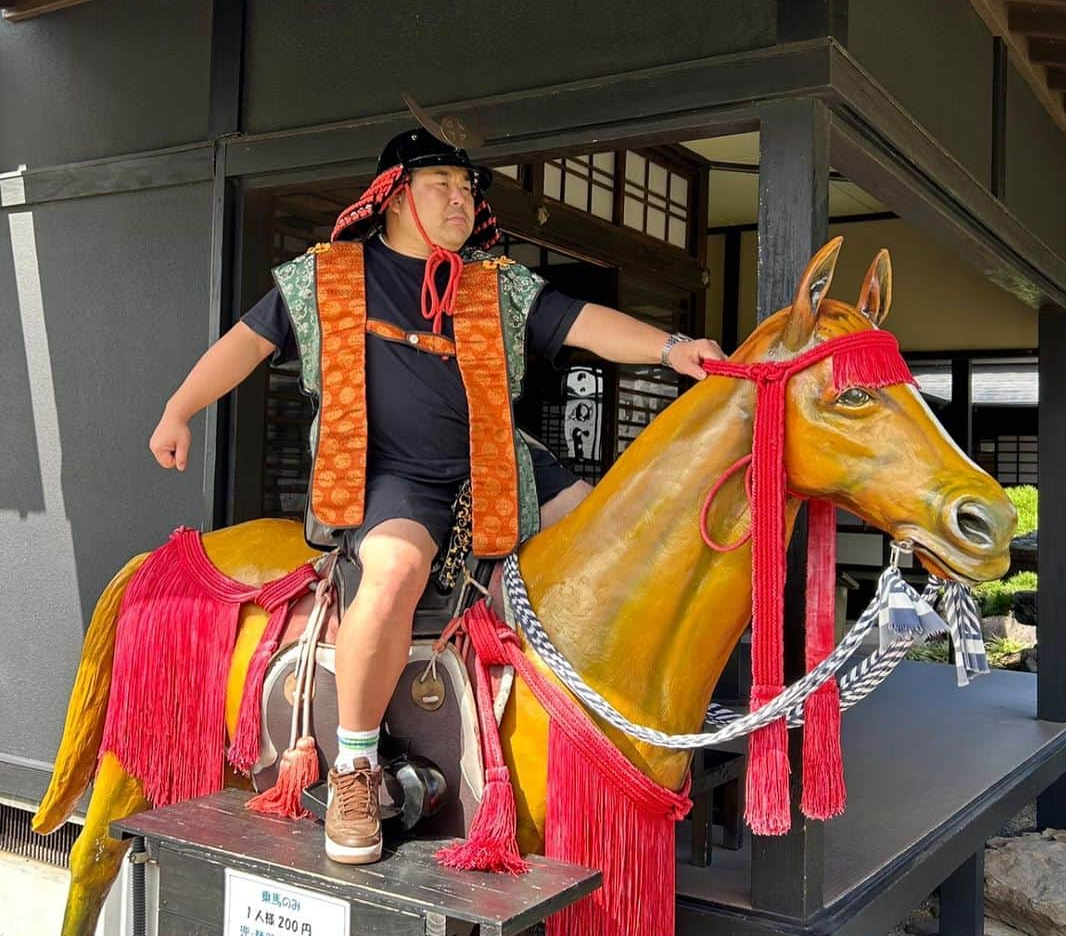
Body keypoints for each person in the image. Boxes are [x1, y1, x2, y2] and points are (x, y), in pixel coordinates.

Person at [149, 126, 724, 865]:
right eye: (441, 186)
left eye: (467, 188)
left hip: (498, 464)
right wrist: (178, 409)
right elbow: (246, 344)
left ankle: (605, 725)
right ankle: (356, 767)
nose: (462, 199)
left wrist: (674, 349)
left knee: (612, 540)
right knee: (391, 574)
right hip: (393, 476)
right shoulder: (328, 276)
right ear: (391, 197)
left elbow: (583, 325)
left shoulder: (495, 281)